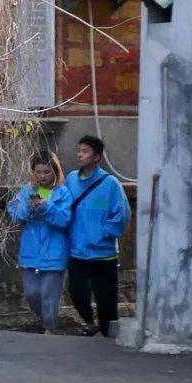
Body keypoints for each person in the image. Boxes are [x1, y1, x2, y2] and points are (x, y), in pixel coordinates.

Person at [65, 135, 132, 338]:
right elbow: (62, 205)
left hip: (103, 254)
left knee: (106, 299)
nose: (80, 155)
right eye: (79, 150)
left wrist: (105, 233)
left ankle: (107, 335)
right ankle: (89, 321)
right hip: (77, 250)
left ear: (97, 157)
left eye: (85, 151)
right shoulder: (71, 179)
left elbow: (121, 213)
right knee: (77, 293)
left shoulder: (110, 183)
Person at [6, 155, 74, 334]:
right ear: (33, 172)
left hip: (54, 251)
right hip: (31, 250)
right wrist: (28, 207)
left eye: (47, 171)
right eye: (38, 172)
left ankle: (49, 328)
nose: (43, 176)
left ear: (55, 172)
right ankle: (45, 320)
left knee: (48, 296)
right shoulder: (27, 190)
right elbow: (15, 214)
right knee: (32, 294)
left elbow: (64, 220)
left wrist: (47, 207)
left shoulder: (63, 192)